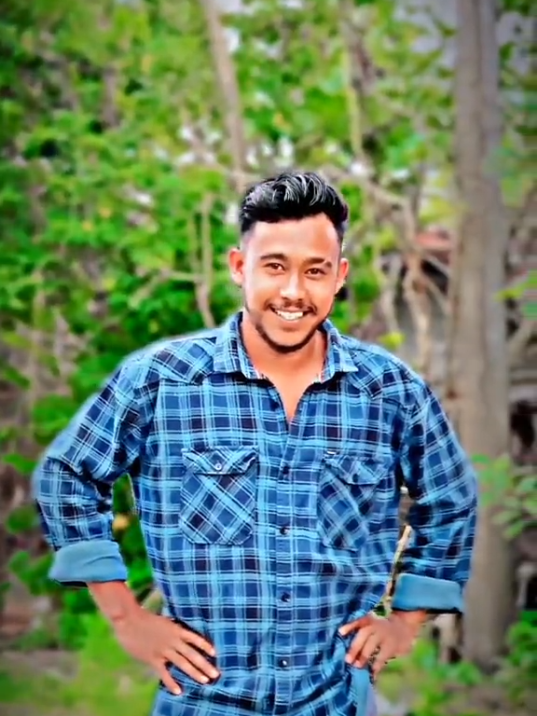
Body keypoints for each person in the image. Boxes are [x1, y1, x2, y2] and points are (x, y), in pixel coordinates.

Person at [32, 171, 478, 716]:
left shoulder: (390, 390)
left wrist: (406, 622)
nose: (293, 292)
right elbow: (68, 476)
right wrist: (127, 617)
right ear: (239, 266)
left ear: (339, 277)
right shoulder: (160, 381)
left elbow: (450, 498)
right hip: (203, 701)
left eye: (314, 271)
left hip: (338, 698)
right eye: (274, 266)